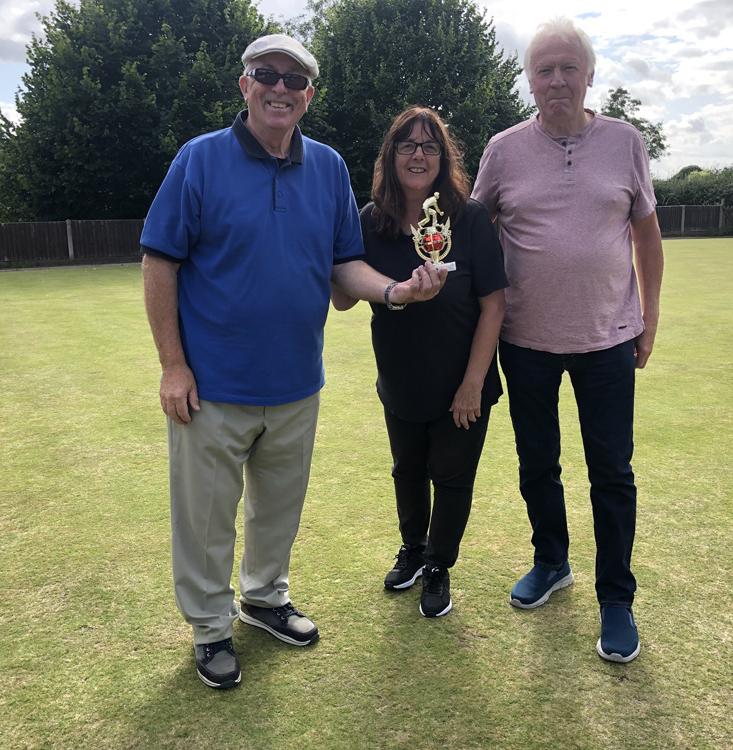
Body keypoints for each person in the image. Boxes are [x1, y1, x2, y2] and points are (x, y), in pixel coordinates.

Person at [140, 34, 447, 690]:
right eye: (267, 75)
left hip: (296, 380)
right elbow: (159, 259)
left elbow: (344, 265)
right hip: (212, 385)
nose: (280, 87)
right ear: (245, 84)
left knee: (277, 508)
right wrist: (172, 364)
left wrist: (394, 291)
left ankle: (263, 598)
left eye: (295, 79)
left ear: (309, 95)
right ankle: (209, 628)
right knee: (205, 517)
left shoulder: (329, 167)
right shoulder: (199, 160)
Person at [471, 17, 664, 663]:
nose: (556, 79)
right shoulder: (502, 149)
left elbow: (647, 237)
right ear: (529, 80)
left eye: (567, 67)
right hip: (525, 340)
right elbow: (476, 235)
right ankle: (552, 562)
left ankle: (617, 598)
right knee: (538, 466)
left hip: (609, 337)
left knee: (612, 472)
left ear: (588, 74)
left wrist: (650, 319)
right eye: (543, 69)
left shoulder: (625, 142)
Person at [331, 107, 507, 618]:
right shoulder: (371, 220)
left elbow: (493, 304)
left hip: (462, 381)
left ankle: (438, 565)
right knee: (407, 471)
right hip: (401, 377)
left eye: (430, 146)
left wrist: (474, 381)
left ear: (443, 157)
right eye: (407, 145)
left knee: (451, 478)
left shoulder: (469, 217)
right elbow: (343, 298)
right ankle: (412, 550)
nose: (418, 155)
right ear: (391, 156)